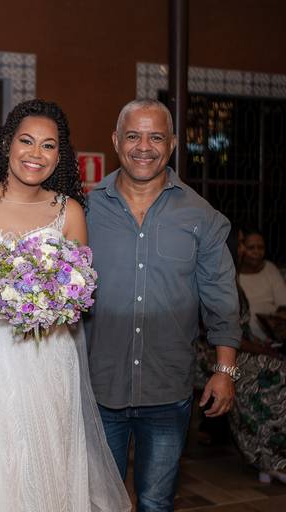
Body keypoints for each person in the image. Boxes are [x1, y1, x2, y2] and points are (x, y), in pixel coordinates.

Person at [0, 99, 130, 512]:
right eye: (27, 141)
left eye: (49, 145)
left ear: (60, 155)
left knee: (41, 459)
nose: (36, 153)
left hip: (43, 352)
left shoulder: (68, 211)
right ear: (6, 144)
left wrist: (52, 301)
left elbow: (79, 287)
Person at [85, 98, 241, 511]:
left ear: (172, 144)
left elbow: (222, 298)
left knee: (156, 502)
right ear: (116, 141)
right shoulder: (84, 209)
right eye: (133, 136)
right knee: (99, 502)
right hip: (98, 387)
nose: (144, 147)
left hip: (167, 389)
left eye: (155, 137)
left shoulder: (201, 216)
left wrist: (224, 370)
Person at [229, 228, 286, 484]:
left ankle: (271, 460)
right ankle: (269, 459)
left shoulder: (232, 277)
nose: (245, 250)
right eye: (242, 244)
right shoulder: (222, 280)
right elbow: (226, 333)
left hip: (243, 347)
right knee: (276, 373)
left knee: (277, 366)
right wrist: (262, 349)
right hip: (226, 352)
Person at [237, 228, 286, 341]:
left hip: (274, 337)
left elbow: (283, 304)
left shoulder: (270, 268)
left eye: (261, 247)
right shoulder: (233, 275)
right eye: (251, 248)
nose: (257, 252)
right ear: (241, 248)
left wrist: (275, 323)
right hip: (245, 340)